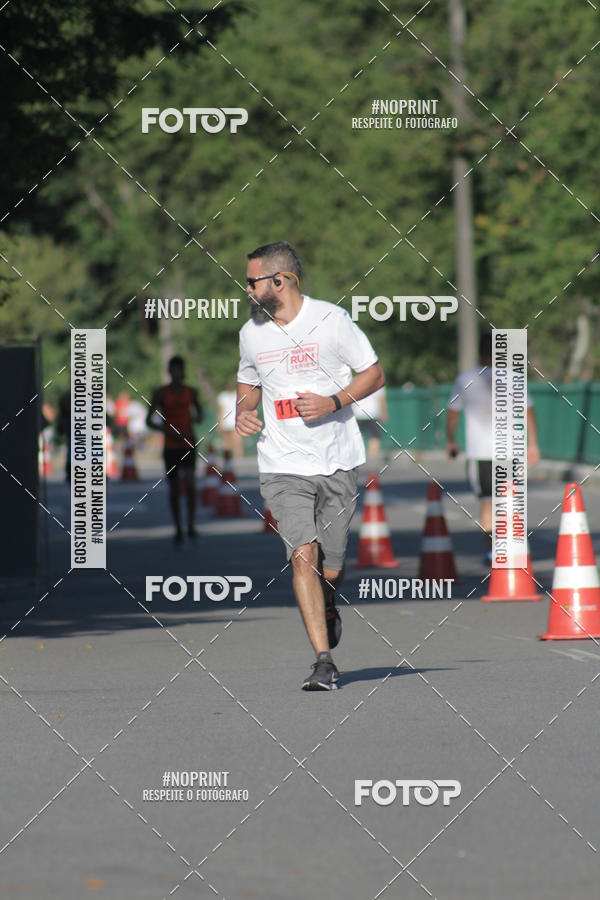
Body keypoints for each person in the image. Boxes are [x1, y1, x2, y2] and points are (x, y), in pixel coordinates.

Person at [235, 241, 385, 691]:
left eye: (252, 281)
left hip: (338, 458)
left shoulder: (331, 321)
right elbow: (248, 381)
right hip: (281, 462)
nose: (246, 289)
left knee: (331, 566)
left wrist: (334, 401)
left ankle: (330, 599)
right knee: (304, 555)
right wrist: (244, 409)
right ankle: (323, 661)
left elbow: (374, 373)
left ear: (280, 280)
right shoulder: (251, 333)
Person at [445, 333, 540, 564]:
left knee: (488, 501)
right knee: (511, 500)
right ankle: (513, 548)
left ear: (480, 353)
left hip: (480, 453)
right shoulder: (515, 379)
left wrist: (451, 441)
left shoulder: (465, 379)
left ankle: (491, 551)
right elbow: (528, 413)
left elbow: (453, 414)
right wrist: (533, 445)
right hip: (511, 452)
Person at [146, 356, 204, 544]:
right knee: (173, 488)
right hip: (170, 446)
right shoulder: (161, 394)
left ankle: (192, 525)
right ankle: (178, 527)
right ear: (170, 372)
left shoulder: (191, 392)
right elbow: (149, 420)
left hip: (188, 443)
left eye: (179, 370)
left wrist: (191, 422)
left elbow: (200, 414)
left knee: (189, 484)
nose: (177, 373)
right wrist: (168, 431)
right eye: (173, 370)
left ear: (183, 371)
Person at [353, 385, 388, 458]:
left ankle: (359, 456)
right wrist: (384, 413)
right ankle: (372, 457)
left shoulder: (355, 381)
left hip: (359, 413)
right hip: (373, 414)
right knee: (374, 436)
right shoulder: (378, 383)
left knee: (357, 435)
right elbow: (381, 399)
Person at [217, 378, 243, 458]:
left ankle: (238, 458)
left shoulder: (237, 395)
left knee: (237, 441)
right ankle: (227, 458)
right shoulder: (222, 396)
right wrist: (219, 423)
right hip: (226, 421)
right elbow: (220, 411)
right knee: (227, 442)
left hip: (236, 421)